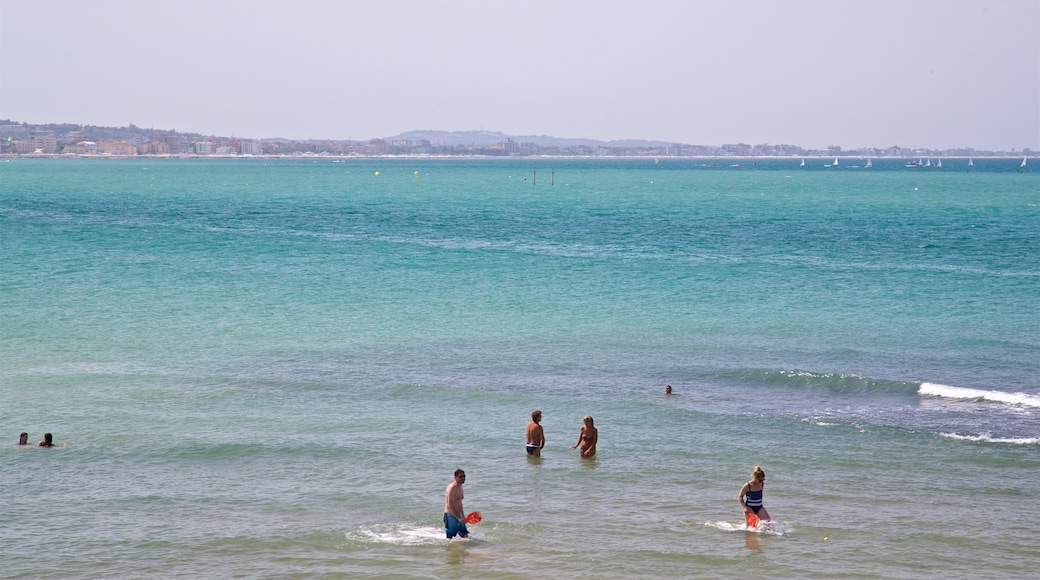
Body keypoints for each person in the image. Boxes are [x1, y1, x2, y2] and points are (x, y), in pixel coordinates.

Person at [443, 469, 469, 539]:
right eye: (460, 477)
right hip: (450, 515)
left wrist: (463, 516)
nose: (463, 478)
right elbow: (449, 504)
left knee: (465, 535)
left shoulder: (460, 486)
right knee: (450, 538)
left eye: (464, 476)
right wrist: (458, 518)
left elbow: (460, 503)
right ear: (455, 478)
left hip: (459, 515)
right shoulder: (452, 487)